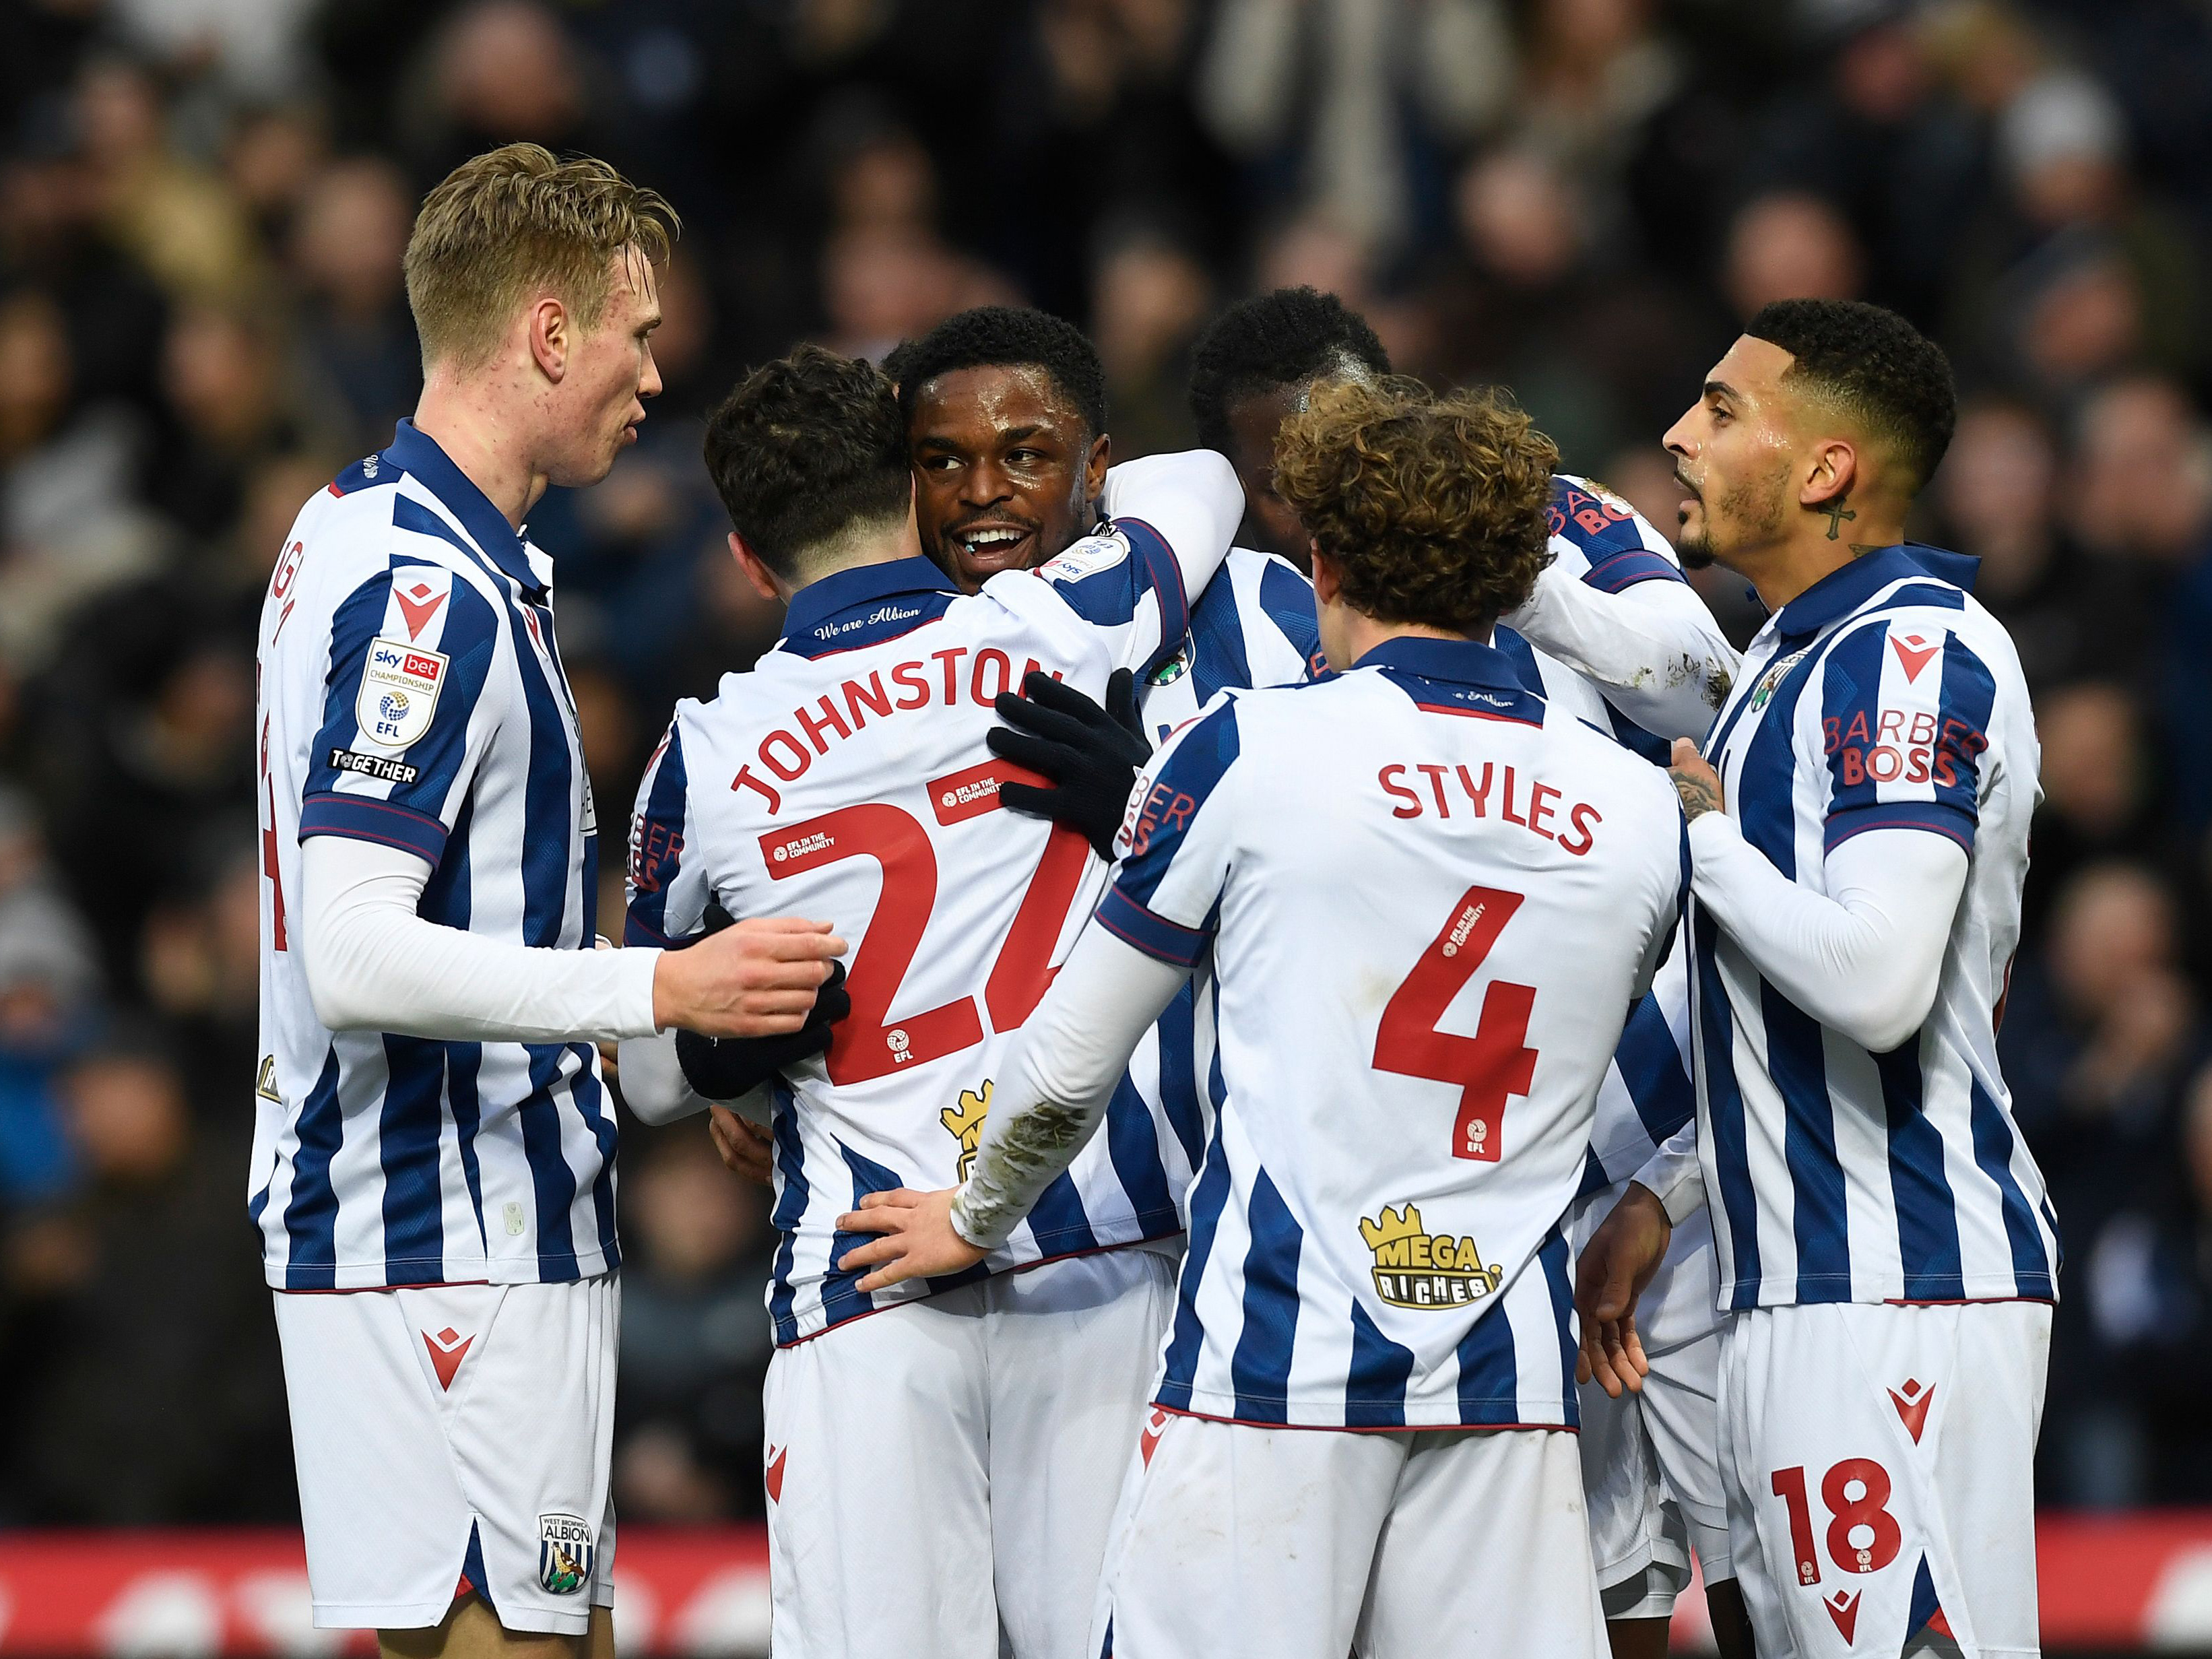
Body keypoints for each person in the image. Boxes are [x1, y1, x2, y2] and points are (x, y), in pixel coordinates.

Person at [841, 377, 1689, 1659]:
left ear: (1324, 558)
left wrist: (974, 1218)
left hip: (1273, 1365)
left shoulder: (1250, 746)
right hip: (1508, 1377)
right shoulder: (1636, 810)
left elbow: (1074, 1058)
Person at [1017, 284, 1749, 1656]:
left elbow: (1707, 685)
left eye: (1344, 442)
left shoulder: (1561, 515)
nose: (1313, 494)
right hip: (1323, 1181)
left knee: (1614, 1580)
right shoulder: (1195, 603)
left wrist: (1476, 558)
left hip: (1575, 1158)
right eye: (1277, 475)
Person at [253, 144, 843, 1659]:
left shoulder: (365, 529)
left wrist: (663, 1063)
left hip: (450, 1218)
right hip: (449, 1233)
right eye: (638, 336)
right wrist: (664, 990)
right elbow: (356, 948)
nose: (659, 372)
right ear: (548, 332)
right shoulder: (427, 592)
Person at [614, 344, 1243, 1658]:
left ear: (743, 555)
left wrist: (737, 1058)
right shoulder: (1057, 624)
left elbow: (658, 1075)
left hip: (861, 1268)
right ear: (915, 496)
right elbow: (1205, 479)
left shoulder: (706, 753)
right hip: (1098, 1238)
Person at [1577, 298, 2058, 1659]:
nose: (1678, 432)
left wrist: (1697, 837)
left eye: (1724, 409)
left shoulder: (1913, 651)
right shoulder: (1784, 658)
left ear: (1826, 468)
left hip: (1898, 1289)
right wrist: (1667, 1189)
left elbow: (1876, 978)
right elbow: (1766, 996)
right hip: (1792, 1289)